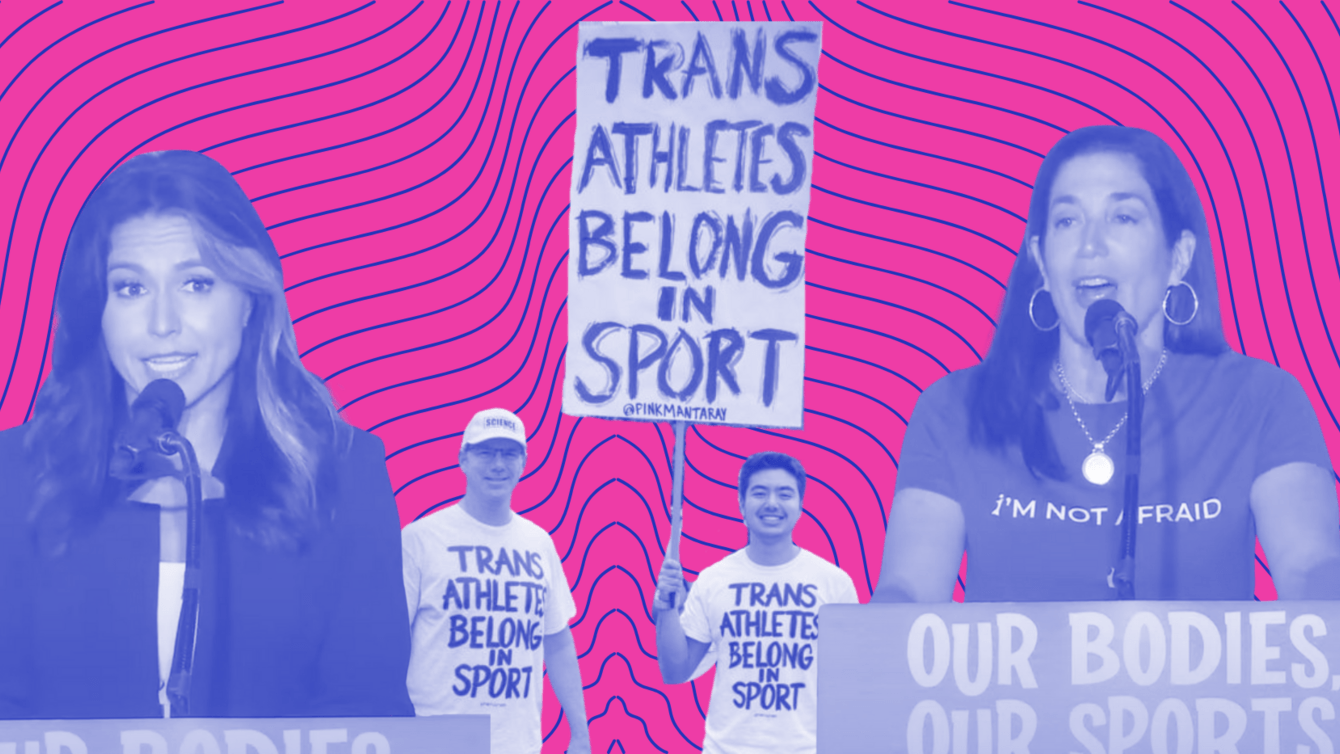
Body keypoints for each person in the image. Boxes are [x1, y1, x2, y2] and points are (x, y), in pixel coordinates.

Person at [0, 150, 414, 718]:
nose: (162, 324)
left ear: (249, 300)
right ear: (97, 310)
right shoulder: (16, 477)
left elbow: (369, 715)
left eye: (196, 283)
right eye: (131, 288)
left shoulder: (343, 474)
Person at [873, 125, 1340, 603]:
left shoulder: (1258, 399)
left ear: (1178, 258)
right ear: (1041, 260)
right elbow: (908, 593)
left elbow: (1310, 567)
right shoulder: (955, 409)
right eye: (1067, 221)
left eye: (1123, 217)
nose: (1090, 245)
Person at [403, 408, 591, 754]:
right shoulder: (420, 539)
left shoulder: (539, 543)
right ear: (463, 459)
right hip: (436, 740)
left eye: (509, 453)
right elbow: (391, 642)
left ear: (524, 463)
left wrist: (580, 733)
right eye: (486, 452)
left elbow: (558, 643)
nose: (498, 464)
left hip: (517, 742)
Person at [654, 452, 858, 754]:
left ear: (800, 505)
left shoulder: (835, 584)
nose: (771, 503)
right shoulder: (713, 580)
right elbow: (675, 672)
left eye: (784, 494)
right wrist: (666, 605)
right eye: (759, 493)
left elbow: (851, 682)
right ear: (741, 504)